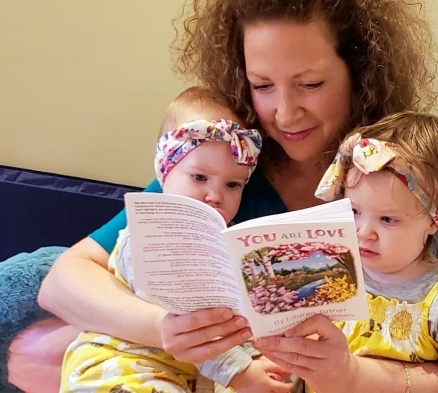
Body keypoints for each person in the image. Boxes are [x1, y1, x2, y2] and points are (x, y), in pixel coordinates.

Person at [0, 0, 438, 393]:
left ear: (360, 72)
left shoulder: (409, 181)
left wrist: (355, 375)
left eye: (310, 84)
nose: (284, 114)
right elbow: (63, 281)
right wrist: (165, 328)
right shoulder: (224, 169)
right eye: (262, 86)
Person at [60, 87, 292, 393]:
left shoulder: (230, 241)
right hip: (122, 363)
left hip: (191, 371)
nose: (214, 195)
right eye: (199, 178)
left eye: (233, 184)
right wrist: (242, 373)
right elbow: (194, 326)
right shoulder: (155, 239)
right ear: (164, 173)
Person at [254, 111, 438, 392]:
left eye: (388, 219)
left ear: (437, 217)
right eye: (354, 211)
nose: (363, 232)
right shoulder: (328, 274)